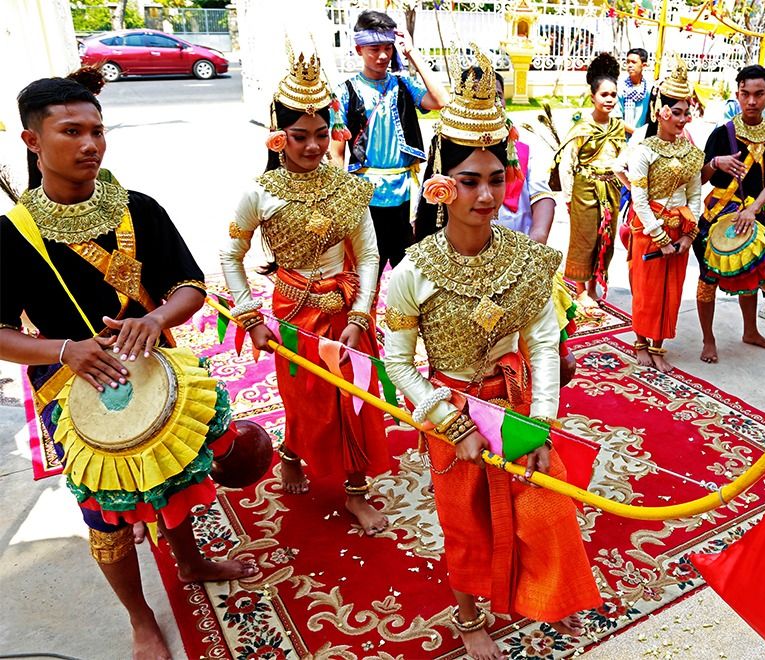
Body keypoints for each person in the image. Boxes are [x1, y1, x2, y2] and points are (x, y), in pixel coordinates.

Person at [0, 70, 257, 660]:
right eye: (71, 131)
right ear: (32, 142)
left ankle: (190, 563)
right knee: (108, 517)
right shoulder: (12, 237)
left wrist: (158, 318)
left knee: (175, 480)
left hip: (155, 369)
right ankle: (141, 620)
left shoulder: (138, 208)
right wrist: (63, 350)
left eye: (98, 130)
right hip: (74, 386)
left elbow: (190, 286)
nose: (90, 144)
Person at [384, 50, 601, 660]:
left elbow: (542, 342)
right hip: (448, 406)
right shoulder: (414, 270)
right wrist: (451, 423)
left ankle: (532, 591)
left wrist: (542, 420)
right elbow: (398, 361)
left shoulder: (527, 258)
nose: (486, 194)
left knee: (540, 503)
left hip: (515, 399)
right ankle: (469, 609)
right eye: (471, 179)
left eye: (497, 178)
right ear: (440, 184)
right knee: (465, 516)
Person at [220, 52, 390, 535]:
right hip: (293, 311)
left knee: (355, 398)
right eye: (299, 136)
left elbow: (371, 255)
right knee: (306, 399)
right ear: (278, 136)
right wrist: (249, 315)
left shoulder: (350, 190)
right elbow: (230, 256)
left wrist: (360, 315)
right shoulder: (259, 193)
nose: (312, 146)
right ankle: (292, 452)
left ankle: (356, 492)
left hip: (346, 310)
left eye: (321, 133)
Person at [333, 10, 449, 273]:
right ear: (358, 49)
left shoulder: (403, 85)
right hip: (366, 197)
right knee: (365, 276)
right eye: (374, 49)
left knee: (408, 275)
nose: (383, 55)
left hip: (405, 196)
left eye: (388, 48)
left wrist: (412, 54)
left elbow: (441, 101)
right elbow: (336, 154)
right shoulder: (345, 92)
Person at [695, 64, 765, 363]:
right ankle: (708, 339)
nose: (751, 101)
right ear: (737, 94)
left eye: (758, 94)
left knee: (752, 273)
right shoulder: (722, 133)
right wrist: (716, 163)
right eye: (745, 94)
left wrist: (753, 208)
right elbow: (699, 178)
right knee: (707, 277)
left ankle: (751, 331)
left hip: (753, 213)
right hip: (715, 217)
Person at [623, 61, 702, 372]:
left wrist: (688, 234)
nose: (683, 119)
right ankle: (641, 341)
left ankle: (659, 345)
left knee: (672, 290)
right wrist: (659, 237)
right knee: (648, 289)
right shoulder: (644, 150)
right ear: (660, 111)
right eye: (677, 112)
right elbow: (639, 199)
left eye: (686, 112)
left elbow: (695, 196)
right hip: (649, 228)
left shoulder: (692, 153)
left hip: (679, 227)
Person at [558, 53, 626, 316]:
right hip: (584, 189)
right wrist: (567, 197)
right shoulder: (582, 127)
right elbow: (568, 164)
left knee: (605, 239)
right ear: (593, 97)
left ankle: (596, 286)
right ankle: (580, 290)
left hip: (610, 190)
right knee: (584, 239)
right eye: (604, 95)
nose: (609, 99)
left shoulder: (618, 127)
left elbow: (622, 160)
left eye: (613, 95)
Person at [492, 72, 556, 243]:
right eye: (482, 96)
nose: (494, 104)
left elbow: (541, 194)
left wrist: (538, 237)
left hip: (518, 245)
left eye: (498, 96)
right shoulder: (448, 146)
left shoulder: (523, 145)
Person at [616, 48, 652, 136]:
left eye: (633, 62)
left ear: (644, 65)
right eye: (628, 62)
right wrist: (637, 133)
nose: (629, 65)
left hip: (645, 137)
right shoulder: (620, 87)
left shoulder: (649, 88)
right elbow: (616, 118)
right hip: (623, 138)